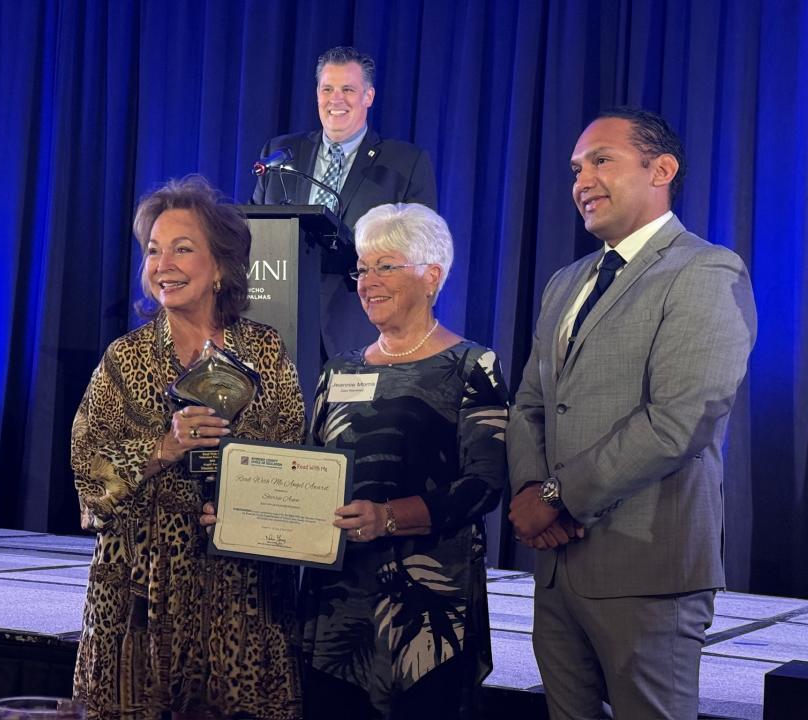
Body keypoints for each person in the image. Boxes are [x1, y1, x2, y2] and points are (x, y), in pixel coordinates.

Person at [507, 107, 757, 720]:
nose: (581, 180)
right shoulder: (566, 282)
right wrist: (529, 492)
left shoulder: (704, 269)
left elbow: (679, 421)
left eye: (601, 160)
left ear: (661, 169)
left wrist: (557, 495)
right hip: (558, 566)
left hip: (648, 572)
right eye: (575, 169)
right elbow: (530, 406)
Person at [71, 176, 306, 720]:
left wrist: (249, 505)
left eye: (182, 248)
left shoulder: (265, 350)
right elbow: (89, 475)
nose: (163, 264)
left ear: (220, 267)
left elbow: (290, 453)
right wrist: (164, 446)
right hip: (139, 591)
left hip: (241, 591)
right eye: (153, 250)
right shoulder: (123, 358)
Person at [298, 203, 508, 719]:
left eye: (384, 266)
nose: (367, 282)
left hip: (425, 606)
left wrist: (387, 517)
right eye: (362, 268)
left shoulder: (471, 366)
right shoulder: (338, 370)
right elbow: (306, 469)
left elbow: (484, 483)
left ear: (431, 275)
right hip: (338, 600)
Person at [251, 46, 437, 357]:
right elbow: (253, 231)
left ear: (368, 96)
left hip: (361, 327)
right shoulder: (281, 152)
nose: (335, 100)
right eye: (327, 89)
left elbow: (420, 250)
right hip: (280, 327)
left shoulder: (405, 162)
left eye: (347, 89)